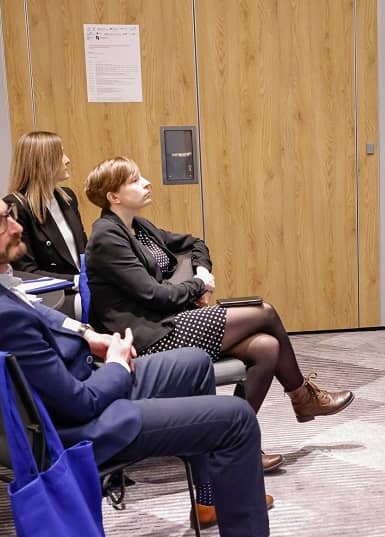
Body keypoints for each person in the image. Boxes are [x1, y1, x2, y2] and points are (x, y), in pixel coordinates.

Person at [0, 171, 327, 537]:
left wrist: (84, 333)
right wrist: (115, 364)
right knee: (235, 418)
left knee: (193, 365)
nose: (16, 226)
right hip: (73, 427)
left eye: (7, 213)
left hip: (25, 412)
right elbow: (79, 403)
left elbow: (25, 304)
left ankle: (210, 499)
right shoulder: (0, 318)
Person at [83, 157, 354, 457]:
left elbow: (194, 243)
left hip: (168, 321)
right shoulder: (107, 236)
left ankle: (235, 446)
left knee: (266, 348)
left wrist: (201, 271)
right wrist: (199, 286)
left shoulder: (139, 227)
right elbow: (154, 295)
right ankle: (302, 396)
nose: (146, 183)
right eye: (135, 180)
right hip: (147, 338)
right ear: (114, 196)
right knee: (265, 312)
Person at [5, 131, 87, 317]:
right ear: (43, 162)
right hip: (55, 297)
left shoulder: (67, 198)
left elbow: (84, 250)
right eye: (60, 154)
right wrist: (77, 281)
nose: (67, 160)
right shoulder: (16, 207)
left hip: (84, 288)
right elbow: (26, 272)